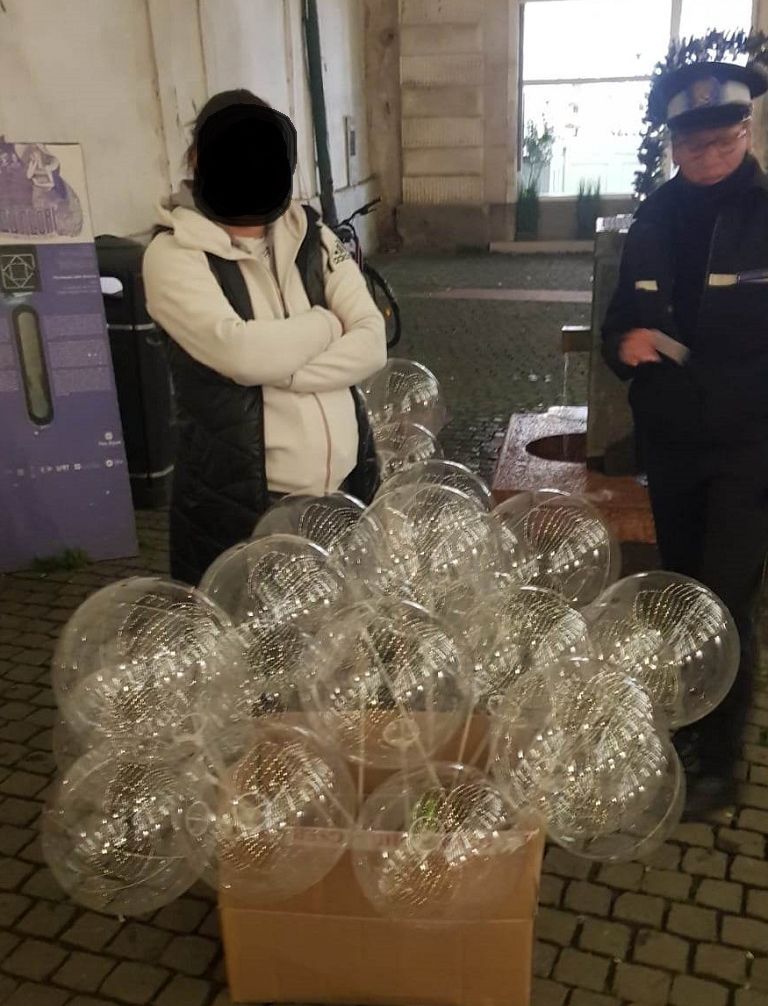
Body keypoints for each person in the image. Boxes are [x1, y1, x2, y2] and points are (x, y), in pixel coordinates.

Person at [602, 60, 768, 816]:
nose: (710, 155)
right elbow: (616, 326)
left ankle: (722, 761)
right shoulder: (654, 219)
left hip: (748, 450)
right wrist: (625, 344)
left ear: (746, 129)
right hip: (672, 446)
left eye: (724, 139)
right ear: (672, 143)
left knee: (727, 601)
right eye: (694, 144)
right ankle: (688, 723)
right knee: (681, 590)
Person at [143, 90, 386, 586]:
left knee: (343, 628)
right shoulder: (174, 254)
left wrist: (281, 370)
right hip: (243, 508)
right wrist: (326, 324)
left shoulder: (315, 237)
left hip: (345, 492)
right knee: (254, 633)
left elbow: (372, 341)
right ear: (199, 158)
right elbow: (242, 354)